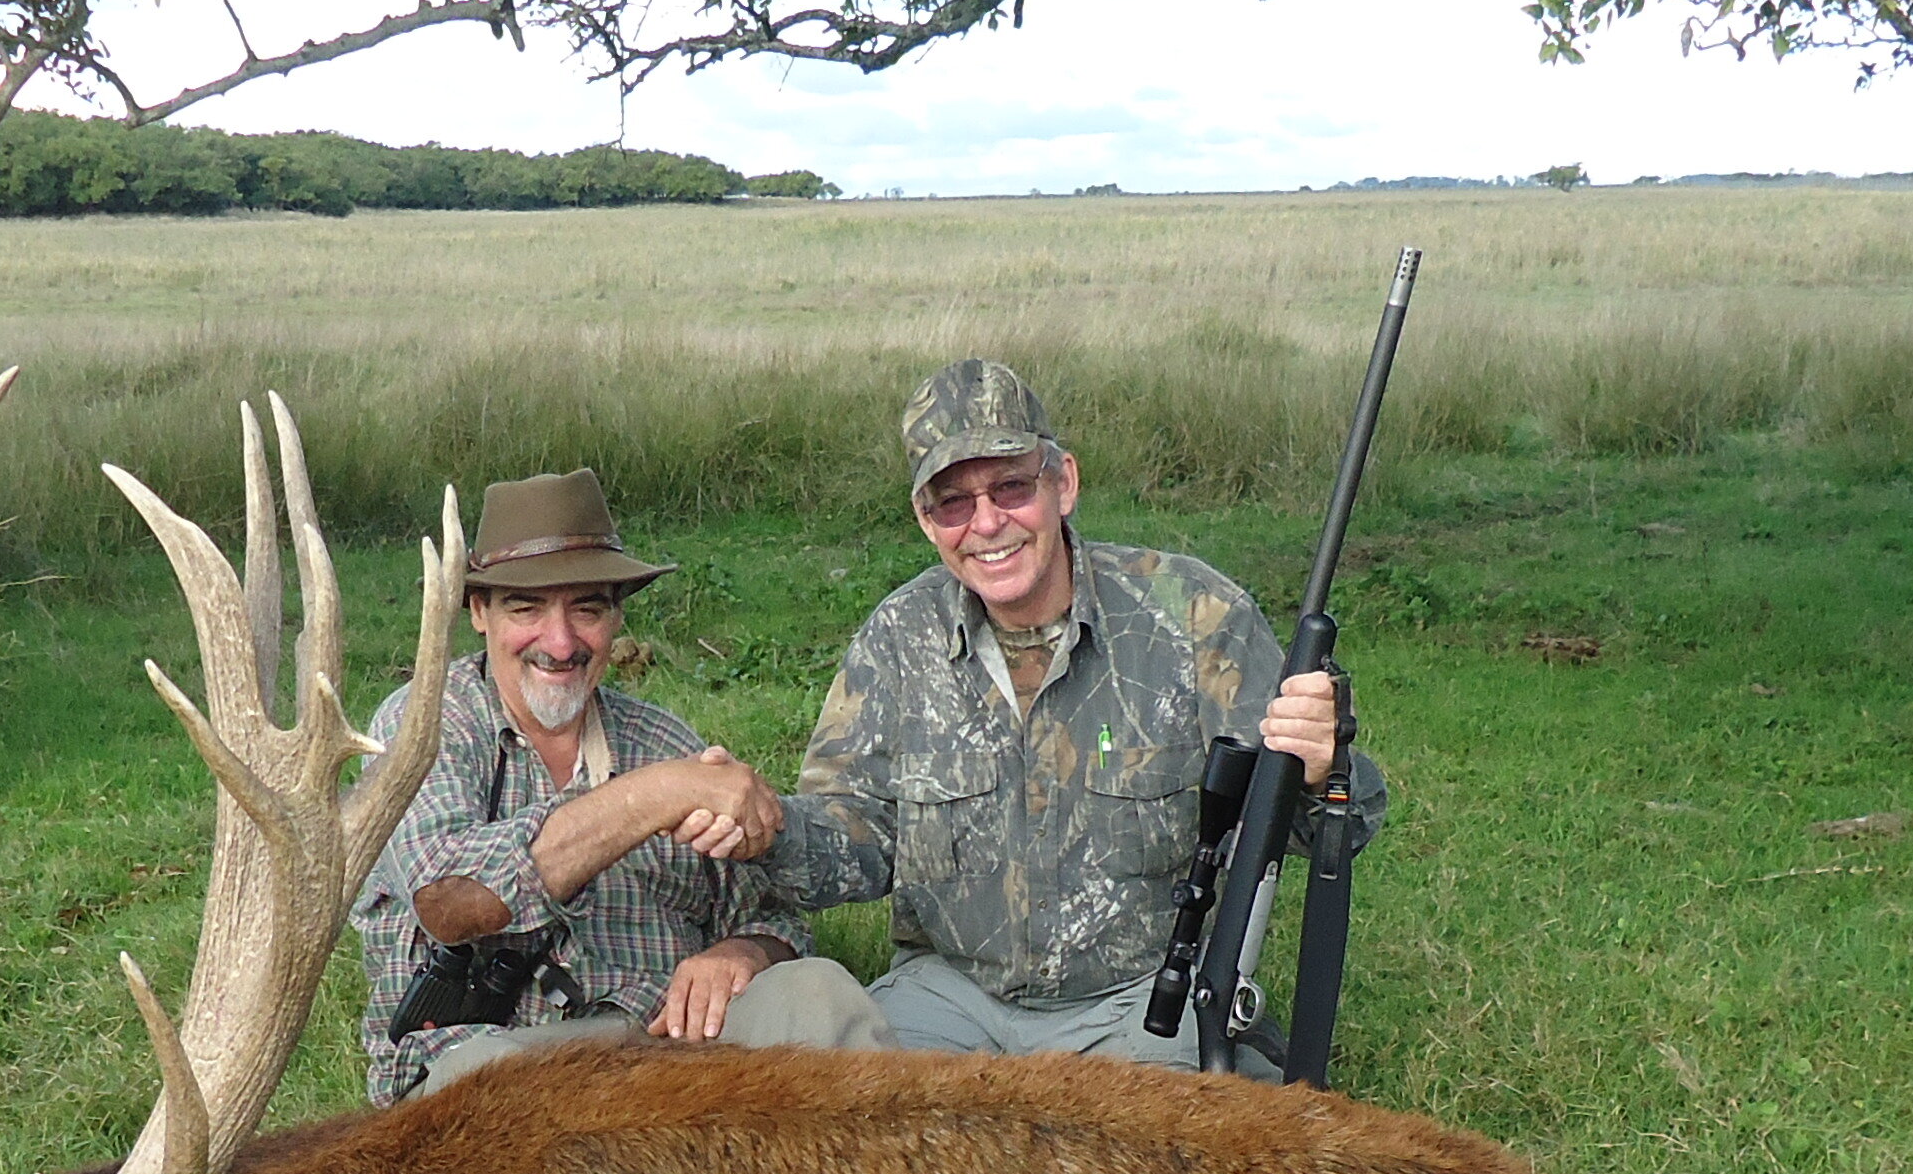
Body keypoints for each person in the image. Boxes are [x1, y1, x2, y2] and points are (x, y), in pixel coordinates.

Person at [746, 358, 1384, 1063]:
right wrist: (760, 826)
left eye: (1012, 488)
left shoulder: (1195, 615)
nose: (987, 524)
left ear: (1064, 483)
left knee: (1183, 1147)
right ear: (926, 521)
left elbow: (1327, 827)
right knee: (838, 1124)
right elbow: (853, 841)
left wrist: (1324, 767)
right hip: (947, 998)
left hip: (1140, 1003)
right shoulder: (899, 636)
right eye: (953, 502)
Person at [350, 468, 891, 1105]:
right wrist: (652, 796)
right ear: (478, 612)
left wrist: (743, 953)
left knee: (817, 994)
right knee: (487, 1097)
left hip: (664, 1043)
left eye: (588, 608)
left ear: (614, 618)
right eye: (526, 608)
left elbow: (769, 914)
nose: (560, 642)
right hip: (498, 1058)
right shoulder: (424, 723)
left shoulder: (661, 739)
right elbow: (451, 903)